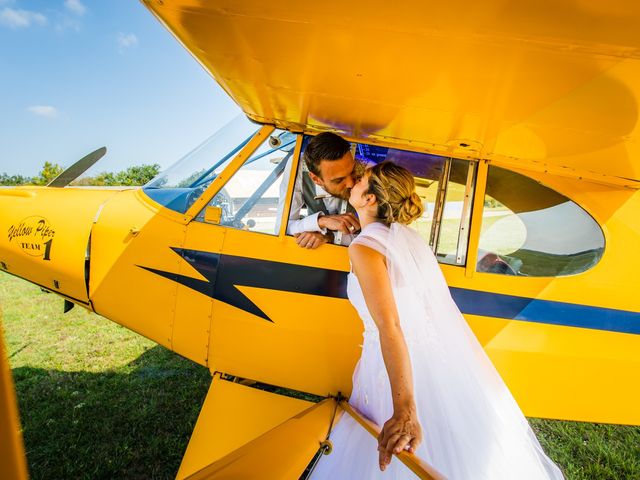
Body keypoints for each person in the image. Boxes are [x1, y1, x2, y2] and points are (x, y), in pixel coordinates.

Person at [310, 161, 564, 479]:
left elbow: (390, 326)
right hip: (430, 358)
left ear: (370, 199)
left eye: (361, 181)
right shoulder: (407, 239)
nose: (353, 182)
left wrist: (404, 409)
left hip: (390, 363)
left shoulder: (364, 248)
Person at [280, 132, 361, 249]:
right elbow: (282, 228)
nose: (351, 184)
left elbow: (381, 238)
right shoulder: (297, 166)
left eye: (352, 172)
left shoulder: (367, 168)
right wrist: (320, 222)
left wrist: (329, 236)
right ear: (315, 179)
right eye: (339, 180)